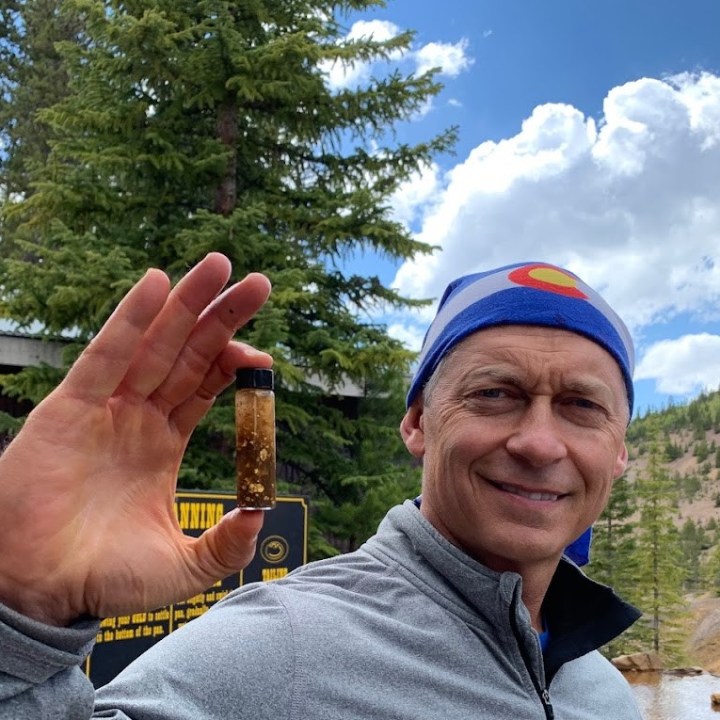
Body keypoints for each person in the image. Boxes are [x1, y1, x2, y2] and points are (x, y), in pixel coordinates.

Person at [0, 254, 643, 719]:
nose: (538, 442)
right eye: (495, 394)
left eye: (582, 406)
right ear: (418, 423)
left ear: (617, 452)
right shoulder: (281, 645)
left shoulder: (600, 690)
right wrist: (21, 620)